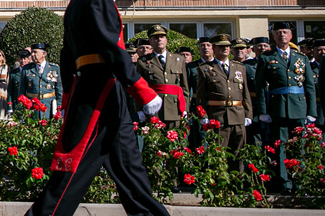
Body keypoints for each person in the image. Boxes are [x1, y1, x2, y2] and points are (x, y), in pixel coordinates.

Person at [15, 0, 194, 216]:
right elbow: (113, 49)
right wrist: (143, 90)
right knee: (76, 164)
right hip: (100, 92)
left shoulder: (79, 0)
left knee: (130, 167)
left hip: (99, 91)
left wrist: (69, 95)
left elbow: (67, 57)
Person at [253, 21, 317, 194]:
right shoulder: (266, 58)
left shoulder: (301, 58)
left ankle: (299, 182)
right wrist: (263, 111)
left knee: (299, 146)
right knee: (280, 146)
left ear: (291, 36)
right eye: (278, 32)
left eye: (285, 32)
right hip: (277, 107)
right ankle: (284, 183)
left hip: (299, 107)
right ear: (273, 36)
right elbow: (260, 87)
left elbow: (309, 86)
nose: (282, 35)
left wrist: (311, 112)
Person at [193, 34, 252, 171]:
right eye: (221, 46)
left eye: (227, 46)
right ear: (214, 48)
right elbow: (201, 96)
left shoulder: (239, 68)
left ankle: (235, 183)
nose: (225, 49)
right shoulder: (205, 68)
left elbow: (245, 93)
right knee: (218, 152)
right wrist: (204, 116)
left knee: (237, 153)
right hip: (218, 116)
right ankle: (219, 184)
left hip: (238, 115)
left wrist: (248, 114)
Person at [135, 25, 190, 129]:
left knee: (174, 143)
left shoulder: (178, 60)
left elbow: (184, 87)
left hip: (174, 109)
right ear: (150, 41)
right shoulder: (143, 62)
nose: (159, 39)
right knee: (154, 143)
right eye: (155, 38)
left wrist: (185, 108)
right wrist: (139, 109)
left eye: (162, 37)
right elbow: (139, 88)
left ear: (166, 40)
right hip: (153, 109)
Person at [18, 43, 62, 120]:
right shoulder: (27, 69)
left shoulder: (54, 68)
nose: (32, 55)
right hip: (32, 110)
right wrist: (22, 110)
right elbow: (22, 92)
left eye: (35, 52)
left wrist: (59, 110)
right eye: (32, 52)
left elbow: (59, 92)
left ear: (43, 54)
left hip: (49, 108)